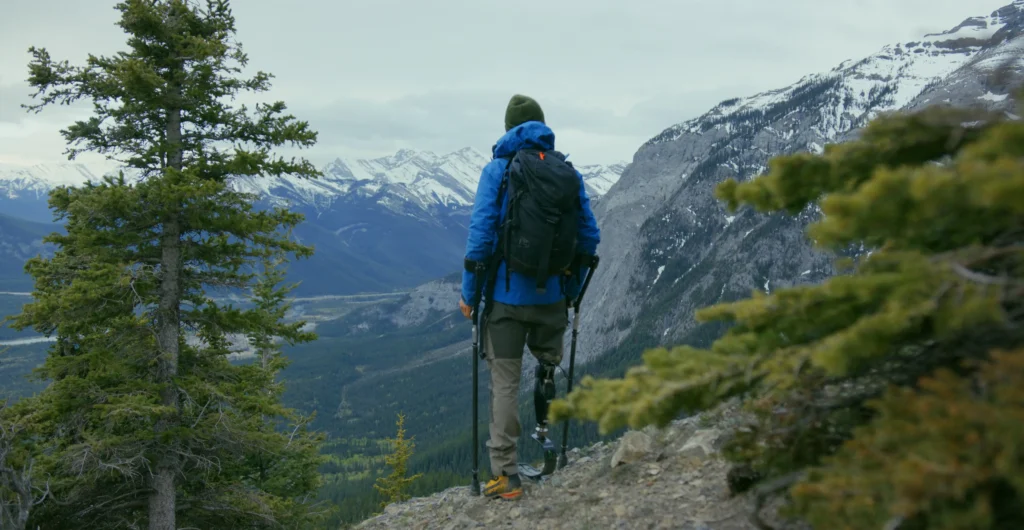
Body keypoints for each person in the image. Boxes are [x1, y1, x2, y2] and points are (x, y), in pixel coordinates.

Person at [458, 94, 601, 500]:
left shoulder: (498, 171)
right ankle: (549, 443)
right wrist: (569, 292)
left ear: (508, 130)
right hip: (553, 299)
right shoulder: (567, 173)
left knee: (504, 384)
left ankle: (506, 476)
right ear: (541, 128)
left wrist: (470, 296)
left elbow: (481, 236)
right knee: (546, 368)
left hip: (506, 299)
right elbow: (589, 237)